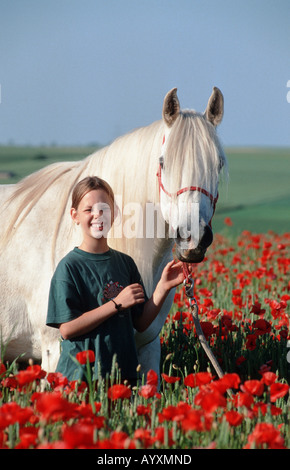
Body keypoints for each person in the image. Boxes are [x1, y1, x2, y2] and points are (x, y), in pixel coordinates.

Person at [46, 176, 184, 384]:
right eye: (88, 209)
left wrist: (163, 287)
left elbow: (140, 322)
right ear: (74, 215)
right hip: (81, 378)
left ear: (115, 214)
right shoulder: (70, 267)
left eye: (104, 209)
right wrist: (116, 304)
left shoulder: (125, 263)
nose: (97, 215)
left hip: (121, 376)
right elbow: (67, 328)